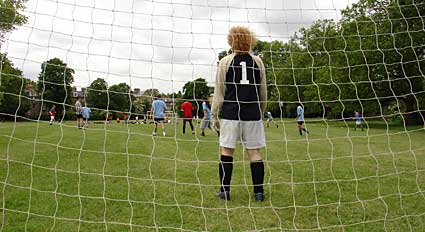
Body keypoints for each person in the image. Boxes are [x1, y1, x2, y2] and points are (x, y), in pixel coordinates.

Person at [211, 26, 267, 201]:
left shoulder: (225, 61)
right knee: (254, 152)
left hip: (230, 113)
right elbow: (262, 91)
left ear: (231, 40)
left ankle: (224, 191)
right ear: (250, 39)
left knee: (227, 151)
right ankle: (258, 192)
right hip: (252, 113)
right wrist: (261, 111)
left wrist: (214, 114)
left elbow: (219, 91)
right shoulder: (258, 62)